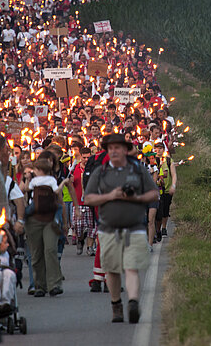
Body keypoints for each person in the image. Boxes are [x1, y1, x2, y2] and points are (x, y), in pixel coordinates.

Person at [84, 134, 159, 324]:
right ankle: (116, 303)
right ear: (107, 151)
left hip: (134, 227)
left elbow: (154, 193)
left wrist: (137, 198)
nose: (114, 151)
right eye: (111, 148)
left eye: (118, 147)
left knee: (131, 267)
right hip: (108, 228)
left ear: (126, 150)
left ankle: (133, 302)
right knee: (112, 269)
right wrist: (111, 196)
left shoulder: (138, 169)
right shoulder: (100, 172)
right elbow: (89, 198)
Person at [24, 156, 66, 297]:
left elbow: (26, 189)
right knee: (42, 252)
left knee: (46, 251)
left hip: (46, 218)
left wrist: (27, 179)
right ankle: (42, 284)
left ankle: (49, 284)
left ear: (39, 169)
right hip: (40, 218)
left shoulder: (39, 180)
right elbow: (57, 193)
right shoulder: (51, 180)